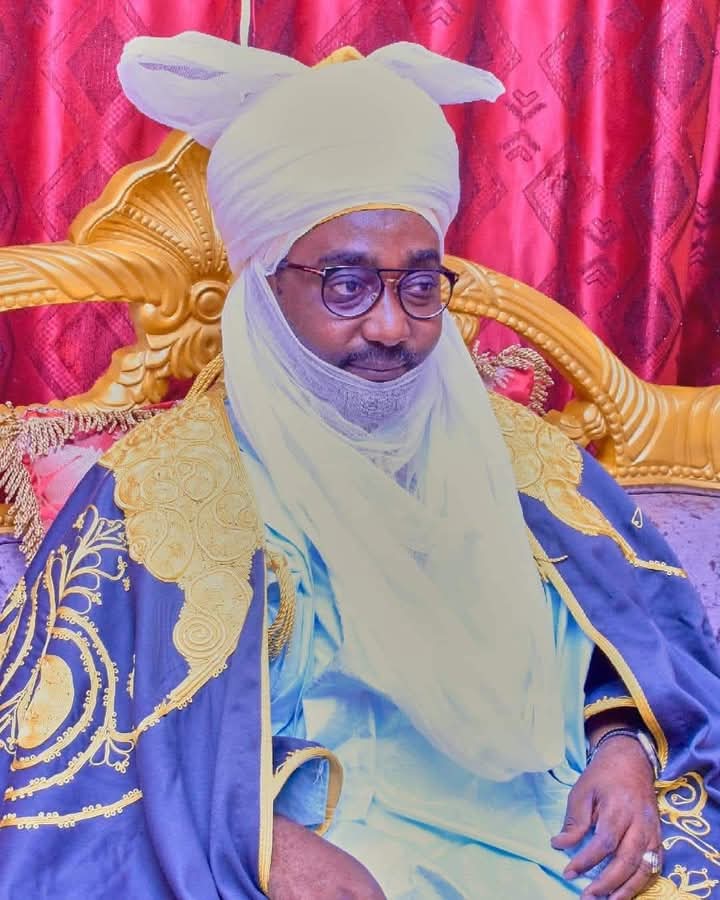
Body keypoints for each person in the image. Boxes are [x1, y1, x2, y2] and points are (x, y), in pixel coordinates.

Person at [0, 32, 719, 900]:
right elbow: (82, 752)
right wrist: (267, 844)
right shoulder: (161, 490)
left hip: (558, 837)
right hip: (312, 849)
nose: (391, 327)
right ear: (266, 290)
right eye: (345, 285)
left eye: (419, 285)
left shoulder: (523, 456)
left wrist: (624, 749)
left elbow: (646, 648)